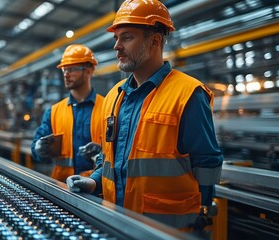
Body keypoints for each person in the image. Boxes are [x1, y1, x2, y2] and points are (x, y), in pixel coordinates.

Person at [66, 0, 224, 230]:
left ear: (155, 41)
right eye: (116, 38)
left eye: (127, 37)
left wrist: (201, 212)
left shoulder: (187, 94)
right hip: (115, 224)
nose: (117, 46)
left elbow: (207, 164)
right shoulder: (113, 97)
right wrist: (94, 180)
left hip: (169, 230)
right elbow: (110, 160)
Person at [31, 44, 104, 182]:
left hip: (98, 189)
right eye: (64, 70)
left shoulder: (108, 107)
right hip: (63, 187)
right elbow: (36, 149)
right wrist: (39, 148)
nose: (66, 74)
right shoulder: (54, 112)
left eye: (72, 69)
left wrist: (102, 152)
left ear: (89, 71)